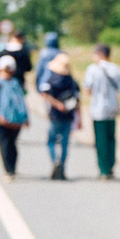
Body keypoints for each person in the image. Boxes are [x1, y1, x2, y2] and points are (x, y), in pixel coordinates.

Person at [82, 43, 120, 179]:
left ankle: (104, 169)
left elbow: (87, 89)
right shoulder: (117, 70)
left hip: (98, 109)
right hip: (112, 108)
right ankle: (111, 165)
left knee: (100, 140)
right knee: (111, 138)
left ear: (100, 54)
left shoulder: (92, 70)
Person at [38, 52, 82, 181]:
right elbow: (78, 101)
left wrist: (57, 104)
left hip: (55, 115)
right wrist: (80, 119)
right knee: (64, 143)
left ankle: (54, 160)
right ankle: (62, 166)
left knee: (51, 141)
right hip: (69, 116)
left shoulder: (51, 80)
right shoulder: (73, 82)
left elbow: (44, 94)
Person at [0, 55, 30, 179]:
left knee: (4, 145)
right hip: (17, 120)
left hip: (2, 120)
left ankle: (8, 171)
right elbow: (24, 96)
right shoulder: (18, 84)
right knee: (13, 143)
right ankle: (13, 168)